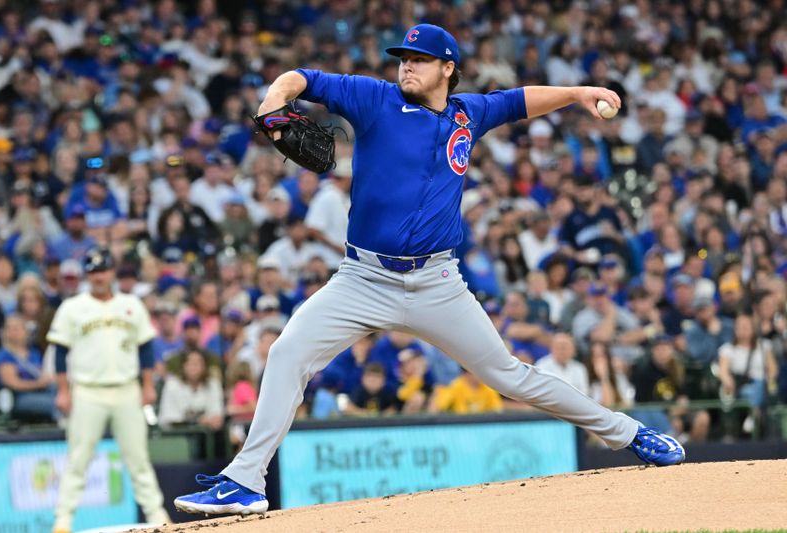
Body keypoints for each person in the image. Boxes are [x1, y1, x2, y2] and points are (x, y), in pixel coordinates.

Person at [175, 23, 684, 516]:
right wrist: (274, 100)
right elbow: (301, 78)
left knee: (510, 376)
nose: (407, 67)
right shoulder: (374, 100)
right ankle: (244, 481)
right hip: (362, 279)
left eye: (418, 60)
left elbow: (522, 99)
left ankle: (629, 433)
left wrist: (579, 92)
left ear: (448, 68)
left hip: (437, 282)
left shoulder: (469, 114)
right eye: (403, 59)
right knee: (287, 354)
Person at [46, 248, 169, 532]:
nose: (98, 276)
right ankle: (62, 521)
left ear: (112, 272)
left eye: (103, 270)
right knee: (78, 458)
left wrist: (148, 385)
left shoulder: (131, 304)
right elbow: (61, 352)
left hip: (127, 388)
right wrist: (63, 391)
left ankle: (157, 516)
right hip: (88, 390)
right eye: (93, 271)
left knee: (138, 458)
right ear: (87, 275)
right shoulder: (72, 307)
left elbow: (146, 348)